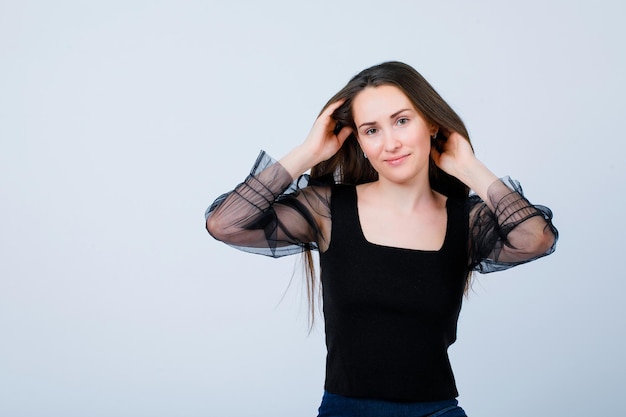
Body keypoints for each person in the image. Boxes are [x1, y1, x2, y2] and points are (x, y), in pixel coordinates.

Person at [205, 61, 558, 417]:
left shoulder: (465, 220)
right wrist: (310, 151)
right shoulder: (328, 210)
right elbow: (226, 224)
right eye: (371, 130)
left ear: (431, 123)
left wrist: (467, 166)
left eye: (402, 121)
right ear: (357, 139)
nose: (390, 143)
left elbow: (536, 239)